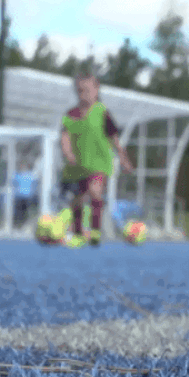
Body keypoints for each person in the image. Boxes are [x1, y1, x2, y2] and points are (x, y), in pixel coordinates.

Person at [60, 74, 134, 247]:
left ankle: (95, 231)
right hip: (77, 167)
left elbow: (114, 138)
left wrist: (124, 159)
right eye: (79, 91)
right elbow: (65, 135)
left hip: (99, 163)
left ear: (96, 90)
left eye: (87, 90)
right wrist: (68, 152)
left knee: (95, 192)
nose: (83, 94)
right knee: (77, 200)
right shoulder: (71, 114)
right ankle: (78, 233)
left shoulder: (102, 112)